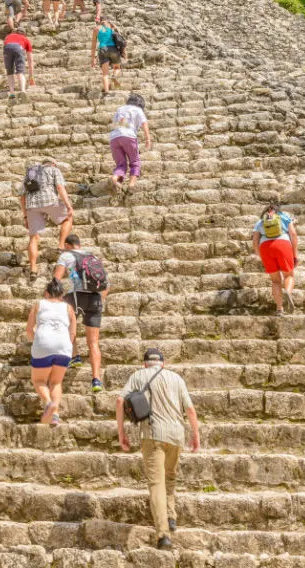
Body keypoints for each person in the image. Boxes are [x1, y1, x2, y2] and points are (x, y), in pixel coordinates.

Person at [117, 347, 200, 550]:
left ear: (145, 364)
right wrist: (195, 434)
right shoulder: (176, 378)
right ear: (162, 363)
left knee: (156, 483)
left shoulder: (138, 376)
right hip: (176, 435)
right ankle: (171, 516)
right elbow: (189, 409)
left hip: (152, 435)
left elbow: (120, 400)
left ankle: (163, 534)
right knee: (170, 477)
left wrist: (121, 433)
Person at [54, 233, 108, 392]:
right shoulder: (93, 258)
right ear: (79, 243)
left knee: (66, 325)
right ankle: (96, 380)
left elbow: (56, 278)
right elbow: (105, 284)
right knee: (93, 342)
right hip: (95, 299)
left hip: (76, 296)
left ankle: (75, 355)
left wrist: (53, 298)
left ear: (67, 245)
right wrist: (100, 300)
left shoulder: (66, 255)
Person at [26, 278, 77, 427]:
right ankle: (55, 414)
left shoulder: (38, 304)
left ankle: (49, 403)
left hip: (43, 343)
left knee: (38, 381)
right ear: (61, 295)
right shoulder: (68, 308)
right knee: (56, 382)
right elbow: (72, 334)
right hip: (64, 346)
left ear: (46, 293)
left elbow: (29, 330)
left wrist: (37, 342)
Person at [19, 157, 74, 280]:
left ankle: (33, 269)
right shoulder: (54, 170)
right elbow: (60, 187)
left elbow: (22, 197)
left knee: (33, 237)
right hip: (50, 202)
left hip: (32, 206)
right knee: (67, 218)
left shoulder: (30, 173)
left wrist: (25, 216)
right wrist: (68, 206)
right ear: (54, 164)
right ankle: (60, 246)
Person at [252, 204, 299, 315]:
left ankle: (279, 309)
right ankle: (288, 292)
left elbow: (254, 242)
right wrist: (295, 254)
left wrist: (261, 256)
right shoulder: (284, 217)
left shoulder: (260, 222)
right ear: (277, 211)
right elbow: (293, 234)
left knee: (275, 281)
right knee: (289, 275)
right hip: (283, 245)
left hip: (265, 248)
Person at [110, 93, 151, 194]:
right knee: (135, 162)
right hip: (129, 137)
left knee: (121, 164)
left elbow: (118, 124)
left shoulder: (120, 109)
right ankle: (131, 185)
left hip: (114, 138)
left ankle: (115, 178)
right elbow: (144, 123)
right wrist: (148, 139)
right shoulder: (138, 110)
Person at [91, 18, 127, 95]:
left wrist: (93, 59)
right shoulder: (111, 27)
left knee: (105, 74)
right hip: (113, 49)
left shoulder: (96, 29)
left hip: (103, 49)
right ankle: (114, 75)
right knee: (117, 67)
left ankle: (106, 92)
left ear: (99, 21)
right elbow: (120, 37)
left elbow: (93, 46)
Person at [3, 27, 35, 98]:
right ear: (24, 34)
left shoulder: (8, 36)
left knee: (10, 72)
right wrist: (31, 76)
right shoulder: (25, 39)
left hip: (7, 48)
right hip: (18, 47)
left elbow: (5, 48)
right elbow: (30, 59)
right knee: (20, 71)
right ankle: (22, 90)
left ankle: (12, 92)